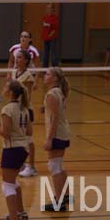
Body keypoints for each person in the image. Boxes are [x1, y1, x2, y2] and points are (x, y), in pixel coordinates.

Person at [0, 80, 32, 220]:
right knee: (13, 181)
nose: (3, 88)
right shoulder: (24, 108)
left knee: (7, 185)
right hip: (23, 149)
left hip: (12, 149)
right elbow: (29, 131)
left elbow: (6, 134)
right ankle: (20, 212)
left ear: (11, 93)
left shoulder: (7, 109)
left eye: (5, 87)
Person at [41, 67, 71, 211]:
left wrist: (49, 139)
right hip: (63, 131)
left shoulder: (52, 94)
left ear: (54, 78)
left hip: (57, 133)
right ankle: (66, 196)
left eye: (47, 74)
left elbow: (54, 118)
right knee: (58, 165)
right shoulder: (58, 92)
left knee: (54, 166)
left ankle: (59, 202)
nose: (44, 76)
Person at [10, 50, 37, 177]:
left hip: (25, 110)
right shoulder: (13, 73)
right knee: (16, 137)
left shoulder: (28, 76)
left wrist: (22, 109)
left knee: (28, 139)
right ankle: (22, 164)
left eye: (20, 57)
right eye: (16, 57)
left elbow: (28, 96)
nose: (17, 59)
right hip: (15, 109)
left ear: (26, 60)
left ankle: (32, 167)